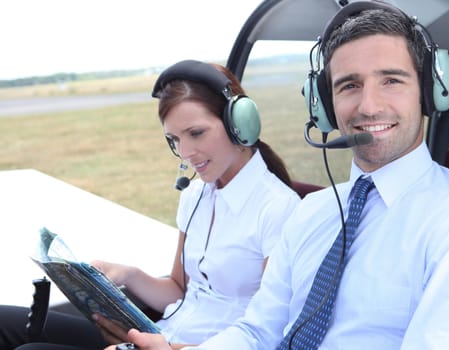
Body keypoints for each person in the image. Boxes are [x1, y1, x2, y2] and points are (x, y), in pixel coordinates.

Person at [116, 2, 449, 350]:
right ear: (325, 106)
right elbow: (258, 332)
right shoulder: (313, 213)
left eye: (391, 81)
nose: (368, 105)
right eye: (348, 86)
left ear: (431, 91)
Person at [0, 60, 300, 350]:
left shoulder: (278, 209)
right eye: (174, 140)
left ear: (239, 124)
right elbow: (178, 290)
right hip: (160, 337)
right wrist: (129, 275)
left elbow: (267, 335)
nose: (186, 153)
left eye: (196, 133)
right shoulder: (196, 195)